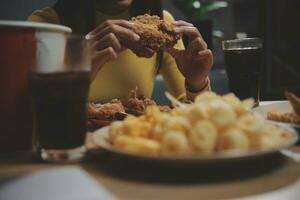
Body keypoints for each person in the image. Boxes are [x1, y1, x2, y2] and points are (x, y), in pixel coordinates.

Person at [28, 0, 213, 103]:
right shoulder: (44, 26)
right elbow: (22, 116)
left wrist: (197, 83)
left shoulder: (163, 24)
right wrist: (78, 70)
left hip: (135, 152)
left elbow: (193, 114)